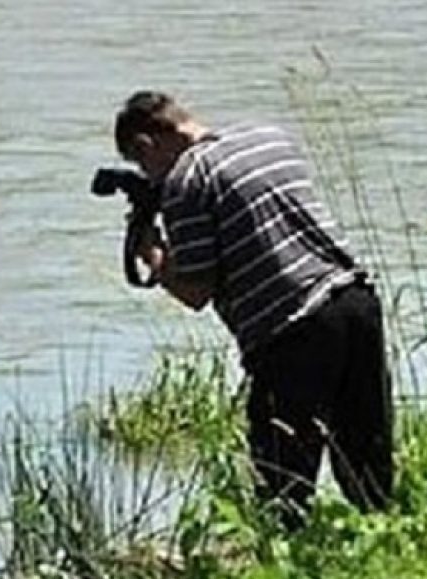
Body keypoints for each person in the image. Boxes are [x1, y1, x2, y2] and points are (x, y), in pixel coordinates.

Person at [113, 90, 393, 528]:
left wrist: (154, 258)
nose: (148, 176)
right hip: (355, 301)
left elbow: (196, 290)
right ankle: (386, 543)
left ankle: (289, 573)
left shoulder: (187, 181)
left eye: (141, 164)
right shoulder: (268, 136)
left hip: (291, 328)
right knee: (366, 455)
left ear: (147, 145)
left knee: (282, 478)